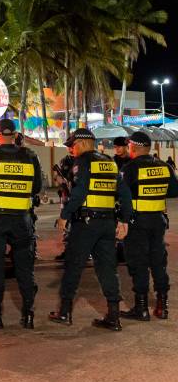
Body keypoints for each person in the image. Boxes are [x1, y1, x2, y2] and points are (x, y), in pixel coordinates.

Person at [48, 129, 132, 331]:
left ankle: (65, 312)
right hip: (107, 223)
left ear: (82, 143)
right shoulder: (109, 162)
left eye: (73, 145)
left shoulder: (83, 161)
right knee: (107, 269)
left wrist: (64, 215)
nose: (71, 149)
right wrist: (124, 220)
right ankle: (114, 316)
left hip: (85, 224)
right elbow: (124, 193)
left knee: (73, 266)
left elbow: (79, 192)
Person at [0, 118, 42, 329]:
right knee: (25, 268)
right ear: (16, 135)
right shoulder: (30, 156)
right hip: (22, 219)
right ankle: (28, 315)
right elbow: (37, 187)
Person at [118, 131, 178, 321]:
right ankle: (162, 306)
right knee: (158, 262)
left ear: (134, 147)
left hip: (137, 222)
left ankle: (141, 308)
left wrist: (122, 220)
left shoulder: (130, 168)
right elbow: (174, 191)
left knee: (139, 263)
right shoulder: (165, 166)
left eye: (129, 145)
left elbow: (122, 195)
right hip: (158, 221)